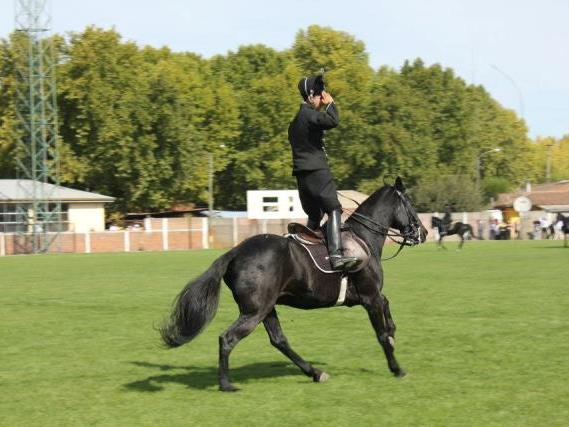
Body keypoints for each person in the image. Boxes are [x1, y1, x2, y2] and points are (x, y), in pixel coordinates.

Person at [288, 75, 358, 271]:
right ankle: (336, 256)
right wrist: (331, 104)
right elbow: (333, 120)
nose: (322, 99)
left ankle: (302, 253)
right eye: (320, 96)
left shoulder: (293, 123)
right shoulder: (310, 115)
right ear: (312, 97)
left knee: (314, 214)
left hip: (302, 177)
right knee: (334, 209)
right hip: (318, 173)